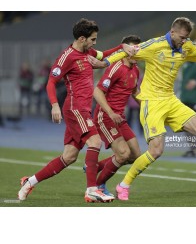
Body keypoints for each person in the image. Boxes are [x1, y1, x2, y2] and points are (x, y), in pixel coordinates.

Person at [90, 17, 196, 201]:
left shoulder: (187, 47)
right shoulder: (154, 45)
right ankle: (124, 185)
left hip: (171, 101)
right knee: (156, 151)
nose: (184, 41)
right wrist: (103, 62)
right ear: (172, 32)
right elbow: (127, 52)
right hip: (152, 103)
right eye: (182, 37)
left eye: (187, 37)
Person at [17, 18, 137, 203]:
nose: (94, 43)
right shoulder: (67, 56)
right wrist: (54, 104)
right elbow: (51, 81)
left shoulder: (88, 52)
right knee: (95, 142)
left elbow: (104, 55)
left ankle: (29, 182)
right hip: (75, 109)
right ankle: (91, 190)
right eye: (93, 39)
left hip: (83, 110)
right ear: (82, 38)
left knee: (69, 157)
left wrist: (122, 47)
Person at [91, 35, 142, 199]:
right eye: (134, 49)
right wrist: (111, 113)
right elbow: (97, 91)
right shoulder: (116, 67)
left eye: (139, 49)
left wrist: (149, 107)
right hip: (106, 116)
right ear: (126, 50)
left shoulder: (136, 69)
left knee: (135, 156)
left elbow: (135, 92)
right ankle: (97, 186)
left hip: (120, 118)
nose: (137, 52)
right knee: (123, 154)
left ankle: (96, 166)